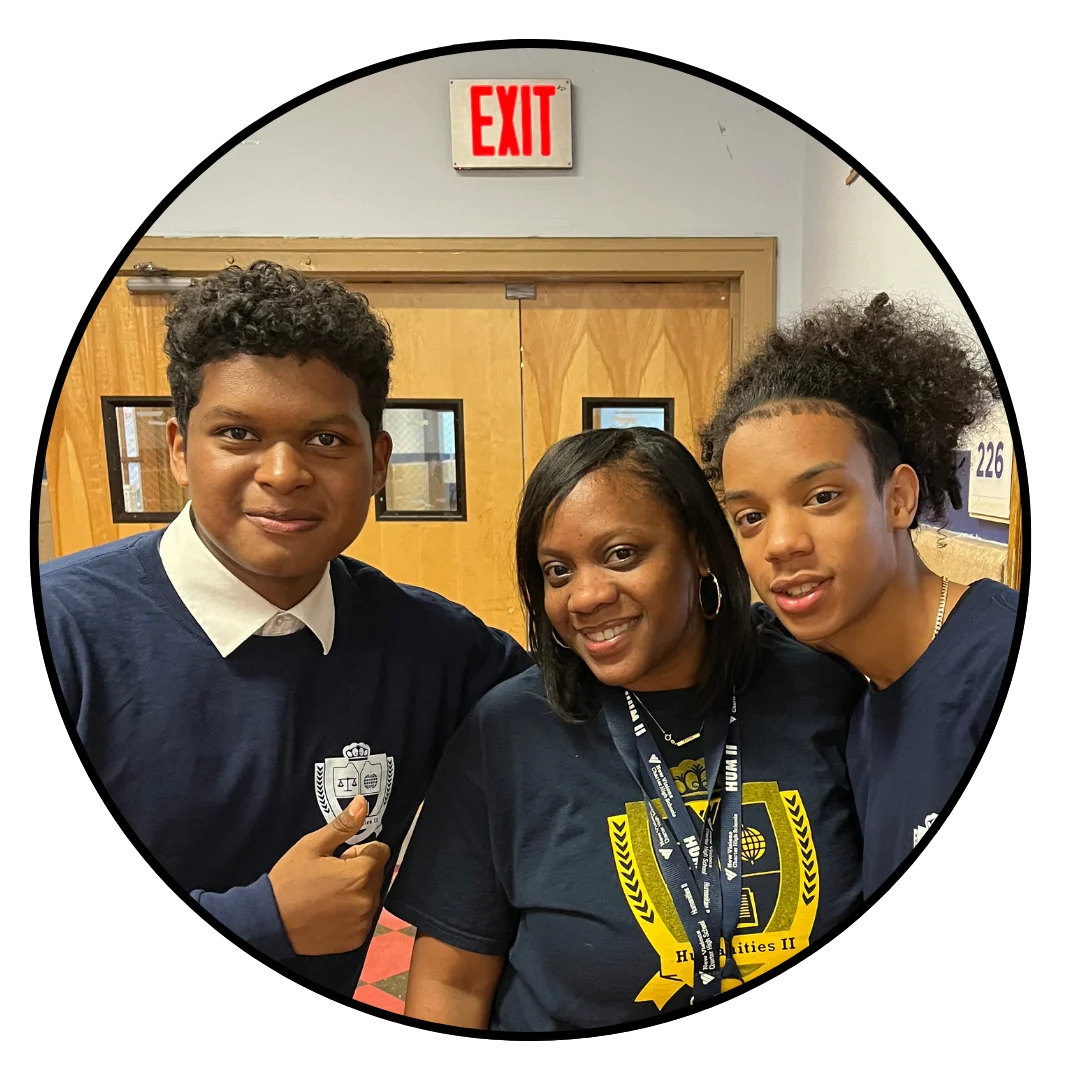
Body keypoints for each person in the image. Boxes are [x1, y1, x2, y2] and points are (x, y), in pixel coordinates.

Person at [37, 261, 532, 999]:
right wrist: (261, 922)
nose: (283, 472)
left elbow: (596, 712)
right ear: (178, 448)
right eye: (237, 433)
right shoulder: (65, 630)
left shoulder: (436, 648)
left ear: (378, 463)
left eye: (327, 440)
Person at [384, 426, 866, 1032]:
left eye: (621, 555)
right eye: (557, 571)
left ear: (698, 548)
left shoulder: (824, 688)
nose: (584, 597)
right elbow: (449, 985)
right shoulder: (509, 730)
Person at [698, 292, 1021, 898]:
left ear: (897, 499)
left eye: (822, 497)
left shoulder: (991, 663)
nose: (781, 544)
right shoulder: (861, 704)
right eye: (749, 517)